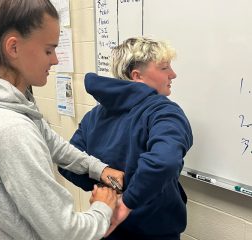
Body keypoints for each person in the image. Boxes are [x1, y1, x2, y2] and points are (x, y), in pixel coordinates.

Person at [0, 1, 125, 239]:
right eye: (48, 50)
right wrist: (103, 207)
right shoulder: (10, 129)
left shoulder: (2, 103)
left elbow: (52, 142)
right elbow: (65, 232)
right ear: (13, 48)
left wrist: (99, 168)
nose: (55, 60)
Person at [59, 37, 193, 240]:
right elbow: (164, 162)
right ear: (137, 76)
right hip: (153, 233)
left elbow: (67, 162)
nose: (173, 74)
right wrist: (127, 202)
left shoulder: (94, 116)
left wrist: (108, 189)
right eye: (164, 68)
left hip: (106, 223)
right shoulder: (163, 110)